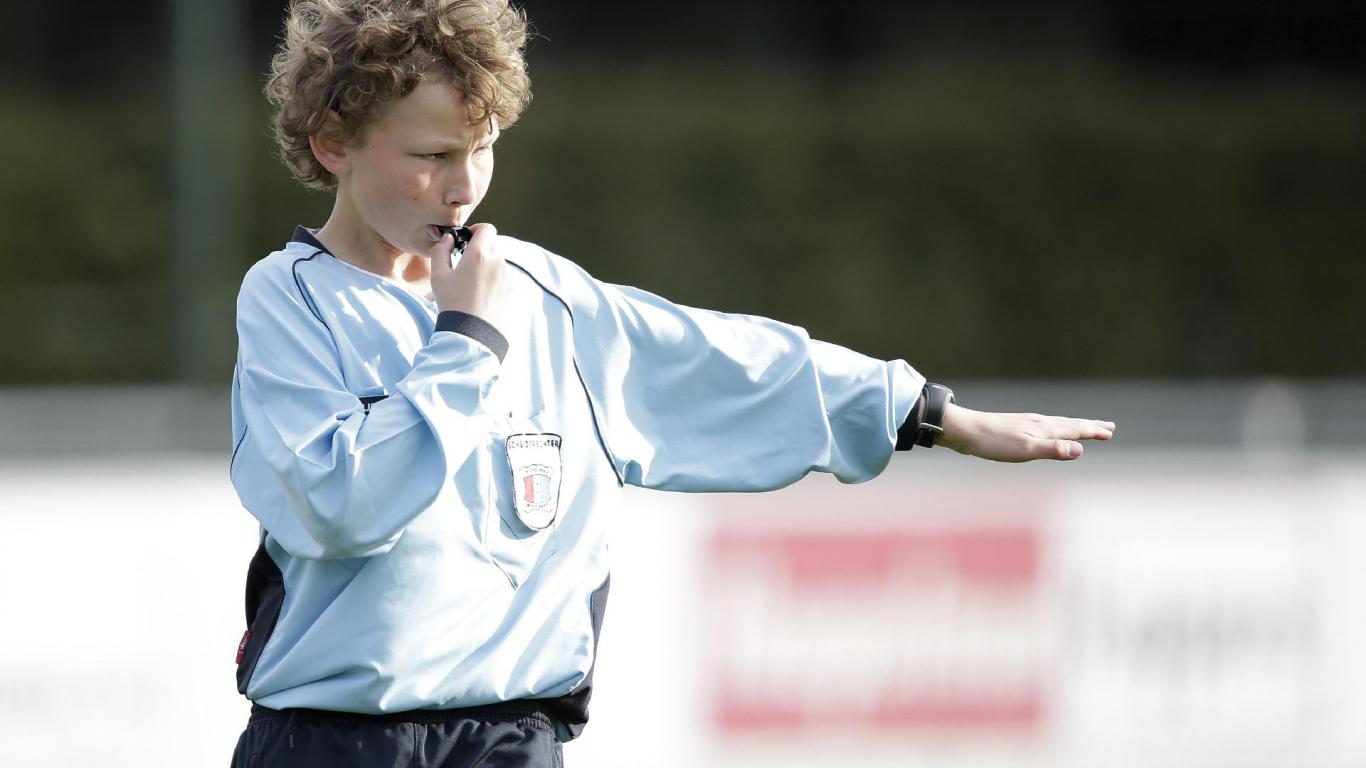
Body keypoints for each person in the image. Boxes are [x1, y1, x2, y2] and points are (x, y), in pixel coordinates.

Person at [228, 0, 1115, 764]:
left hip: (510, 741)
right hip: (331, 743)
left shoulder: (546, 296)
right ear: (334, 141)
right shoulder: (288, 301)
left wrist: (925, 412)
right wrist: (466, 341)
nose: (464, 188)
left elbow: (724, 363)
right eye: (430, 156)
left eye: (483, 149)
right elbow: (337, 504)